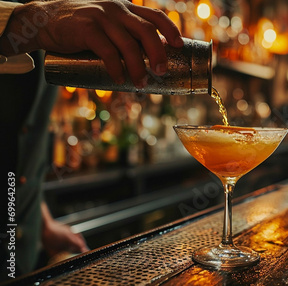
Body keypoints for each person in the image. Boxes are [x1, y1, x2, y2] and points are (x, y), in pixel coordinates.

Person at [0, 0, 183, 281]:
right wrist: (31, 20)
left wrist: (41, 222)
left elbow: (18, 143)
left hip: (19, 253)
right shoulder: (46, 17)